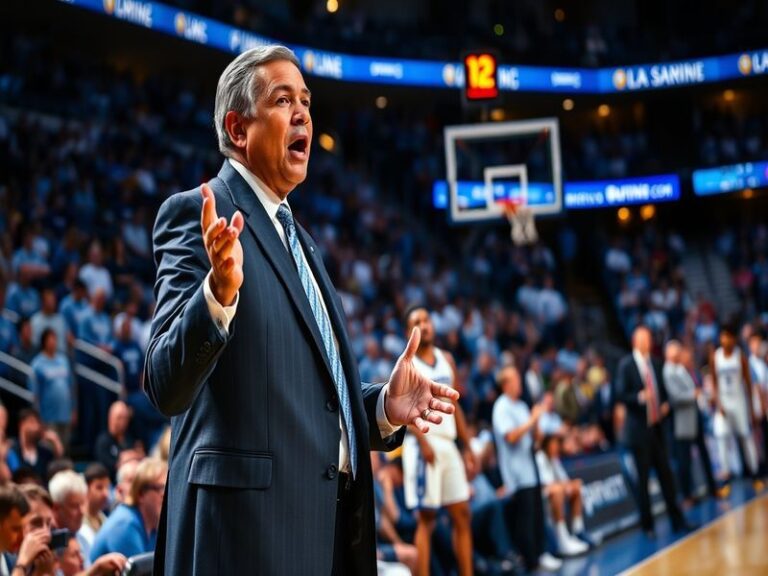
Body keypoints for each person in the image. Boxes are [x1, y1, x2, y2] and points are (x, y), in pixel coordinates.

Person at [143, 44, 457, 575]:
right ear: (238, 130)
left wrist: (380, 408)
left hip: (326, 533)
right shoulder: (198, 215)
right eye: (283, 99)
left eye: (307, 101)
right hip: (246, 541)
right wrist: (217, 295)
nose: (303, 113)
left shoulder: (303, 241)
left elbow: (306, 396)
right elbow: (164, 382)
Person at [400, 306, 474, 576]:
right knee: (427, 519)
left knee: (462, 513)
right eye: (416, 322)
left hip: (448, 442)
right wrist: (423, 443)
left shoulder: (447, 359)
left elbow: (457, 405)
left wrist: (466, 446)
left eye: (426, 319)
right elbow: (404, 409)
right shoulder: (407, 365)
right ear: (409, 332)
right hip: (424, 445)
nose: (424, 325)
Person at [616, 326, 689, 536]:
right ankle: (647, 526)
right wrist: (639, 397)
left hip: (658, 428)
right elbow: (620, 394)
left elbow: (664, 392)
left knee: (667, 476)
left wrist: (664, 403)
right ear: (634, 341)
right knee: (644, 480)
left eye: (648, 338)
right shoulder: (626, 365)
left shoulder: (656, 363)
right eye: (643, 339)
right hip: (639, 431)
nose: (647, 342)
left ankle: (677, 520)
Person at [492, 366, 562, 572]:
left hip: (531, 469)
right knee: (525, 520)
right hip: (516, 475)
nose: (519, 383)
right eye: (515, 380)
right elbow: (510, 437)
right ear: (506, 385)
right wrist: (532, 420)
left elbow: (536, 441)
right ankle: (532, 561)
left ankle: (541, 553)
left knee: (536, 515)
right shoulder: (501, 407)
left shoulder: (522, 406)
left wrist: (537, 425)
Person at [663, 340, 722, 503]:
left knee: (704, 454)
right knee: (684, 460)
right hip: (682, 423)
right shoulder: (668, 371)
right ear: (669, 353)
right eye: (675, 351)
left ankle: (712, 487)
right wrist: (693, 394)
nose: (678, 354)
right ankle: (687, 495)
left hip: (694, 417)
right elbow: (674, 397)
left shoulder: (681, 369)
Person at [710, 325, 763, 490]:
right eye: (722, 336)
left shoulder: (740, 356)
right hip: (724, 403)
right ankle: (726, 478)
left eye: (728, 336)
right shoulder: (715, 357)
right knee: (721, 436)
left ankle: (755, 474)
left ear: (733, 338)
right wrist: (718, 403)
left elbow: (748, 383)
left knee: (746, 437)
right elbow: (714, 383)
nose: (725, 339)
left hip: (739, 401)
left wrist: (752, 408)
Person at [89, 458, 167, 562]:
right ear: (141, 494)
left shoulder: (152, 525)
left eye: (167, 488)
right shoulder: (125, 525)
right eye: (160, 488)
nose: (165, 495)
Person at [535, 435, 591, 554]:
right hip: (542, 497)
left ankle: (578, 531)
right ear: (546, 445)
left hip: (556, 491)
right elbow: (546, 484)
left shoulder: (554, 459)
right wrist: (563, 486)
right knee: (558, 490)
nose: (556, 447)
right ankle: (562, 539)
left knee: (576, 486)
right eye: (553, 444)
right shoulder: (540, 458)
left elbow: (564, 480)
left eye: (557, 444)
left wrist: (570, 485)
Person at [29, 329, 75, 451]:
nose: (53, 342)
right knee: (50, 448)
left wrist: (74, 409)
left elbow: (71, 386)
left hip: (65, 413)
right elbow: (34, 394)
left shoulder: (63, 360)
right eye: (50, 339)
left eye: (55, 339)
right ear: (44, 341)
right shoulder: (37, 363)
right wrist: (38, 416)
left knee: (64, 448)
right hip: (48, 415)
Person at [0, 484, 50, 576]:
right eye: (15, 529)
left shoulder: (9, 559)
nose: (21, 536)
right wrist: (22, 565)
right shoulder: (18, 562)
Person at [93, 402, 141, 482]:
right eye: (119, 418)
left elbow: (141, 455)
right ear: (110, 417)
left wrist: (128, 457)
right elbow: (107, 467)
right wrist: (128, 457)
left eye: (125, 418)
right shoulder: (103, 441)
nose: (122, 422)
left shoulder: (130, 438)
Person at [78, 464, 111, 555]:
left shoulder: (106, 520)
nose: (105, 493)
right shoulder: (78, 521)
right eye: (99, 488)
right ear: (86, 489)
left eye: (107, 488)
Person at [748, 331, 768, 475]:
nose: (757, 346)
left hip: (765, 403)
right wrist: (762, 405)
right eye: (754, 343)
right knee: (760, 438)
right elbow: (757, 387)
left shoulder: (761, 361)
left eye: (758, 343)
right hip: (758, 406)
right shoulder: (750, 363)